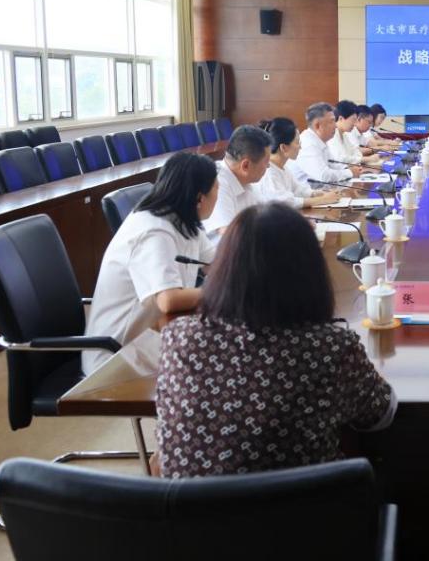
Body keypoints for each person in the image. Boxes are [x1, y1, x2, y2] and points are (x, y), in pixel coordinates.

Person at [157, 203, 396, 478]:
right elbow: (380, 416)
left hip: (192, 505)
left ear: (224, 268)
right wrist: (369, 373)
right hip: (305, 504)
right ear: (310, 272)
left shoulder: (178, 338)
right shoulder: (331, 347)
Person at [83, 152, 218, 375]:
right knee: (216, 367)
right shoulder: (153, 230)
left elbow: (217, 263)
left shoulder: (184, 220)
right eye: (216, 188)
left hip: (152, 338)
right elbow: (168, 300)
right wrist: (222, 292)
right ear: (199, 198)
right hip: (116, 357)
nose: (217, 195)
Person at [257, 117, 341, 209]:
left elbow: (298, 189)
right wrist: (322, 200)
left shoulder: (282, 167)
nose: (300, 147)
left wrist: (319, 193)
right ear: (283, 147)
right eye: (297, 142)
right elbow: (284, 203)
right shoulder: (268, 172)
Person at [205, 124, 271, 234]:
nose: (268, 166)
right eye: (266, 162)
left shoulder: (245, 179)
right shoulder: (217, 183)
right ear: (245, 165)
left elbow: (265, 214)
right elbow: (227, 233)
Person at [296, 101, 362, 183]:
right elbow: (324, 176)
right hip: (308, 190)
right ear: (317, 125)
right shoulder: (307, 143)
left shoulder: (321, 140)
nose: (335, 125)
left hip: (320, 188)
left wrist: (348, 169)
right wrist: (350, 172)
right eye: (331, 121)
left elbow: (333, 164)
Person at [330, 100, 380, 167]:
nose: (355, 124)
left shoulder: (343, 134)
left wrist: (364, 159)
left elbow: (355, 151)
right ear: (341, 119)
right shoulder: (331, 135)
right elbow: (341, 159)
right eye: (353, 120)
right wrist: (366, 159)